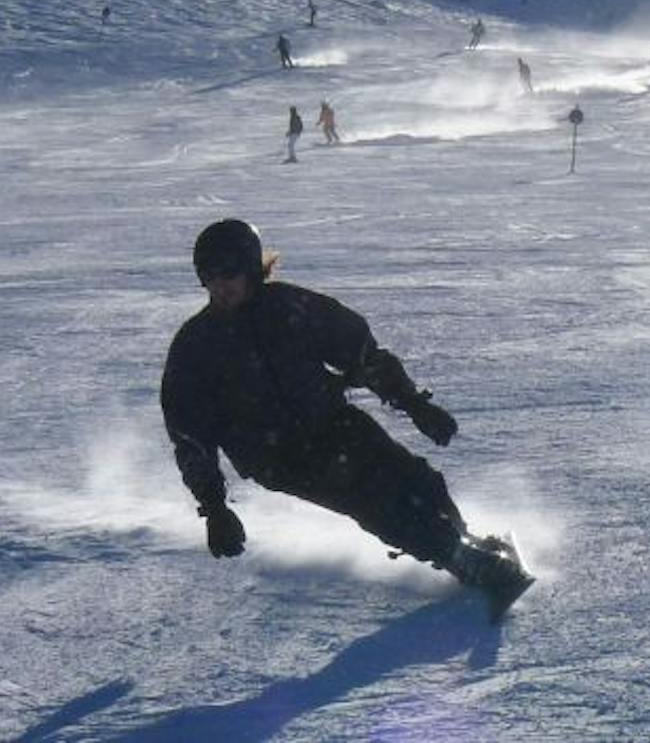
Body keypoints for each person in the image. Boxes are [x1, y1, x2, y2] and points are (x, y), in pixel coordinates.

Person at [161, 220, 532, 614]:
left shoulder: (291, 308)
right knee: (374, 501)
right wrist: (215, 508)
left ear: (253, 267)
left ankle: (465, 539)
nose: (220, 285)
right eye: (208, 276)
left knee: (417, 479)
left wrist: (414, 404)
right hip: (277, 457)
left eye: (228, 272)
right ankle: (463, 561)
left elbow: (361, 354)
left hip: (334, 423)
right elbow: (190, 436)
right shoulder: (196, 347)